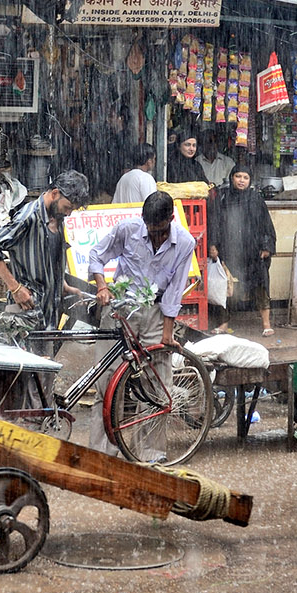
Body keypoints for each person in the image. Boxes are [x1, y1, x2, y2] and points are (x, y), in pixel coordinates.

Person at [85, 191, 197, 456]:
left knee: (157, 386)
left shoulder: (184, 242)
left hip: (156, 313)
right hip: (122, 309)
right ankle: (101, 453)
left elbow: (174, 290)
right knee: (107, 383)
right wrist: (102, 286)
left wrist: (167, 334)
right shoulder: (128, 230)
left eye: (159, 230)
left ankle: (148, 452)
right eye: (150, 228)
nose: (154, 234)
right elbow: (96, 255)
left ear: (171, 219)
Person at [0, 169, 90, 329]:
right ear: (55, 193)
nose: (68, 213)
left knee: (46, 354)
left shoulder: (57, 218)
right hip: (27, 312)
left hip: (50, 313)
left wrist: (63, 285)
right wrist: (15, 288)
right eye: (67, 207)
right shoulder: (28, 217)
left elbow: (50, 259)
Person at [209, 164, 276, 335]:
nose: (242, 180)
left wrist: (266, 246)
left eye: (245, 178)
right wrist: (213, 245)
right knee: (226, 287)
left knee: (261, 286)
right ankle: (224, 323)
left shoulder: (256, 199)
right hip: (229, 251)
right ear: (232, 178)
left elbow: (266, 224)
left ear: (250, 181)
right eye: (238, 176)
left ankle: (266, 324)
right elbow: (214, 222)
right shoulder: (223, 197)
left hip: (253, 252)